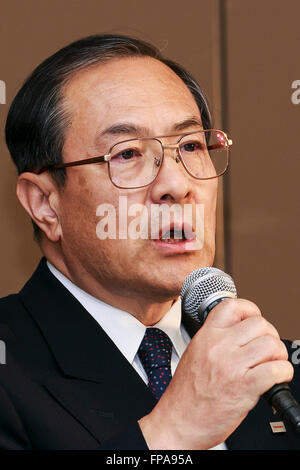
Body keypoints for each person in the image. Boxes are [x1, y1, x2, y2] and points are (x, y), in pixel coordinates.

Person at [0, 34, 299, 450]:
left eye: (191, 145)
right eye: (126, 154)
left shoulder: (276, 373)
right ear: (45, 204)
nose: (177, 185)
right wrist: (173, 433)